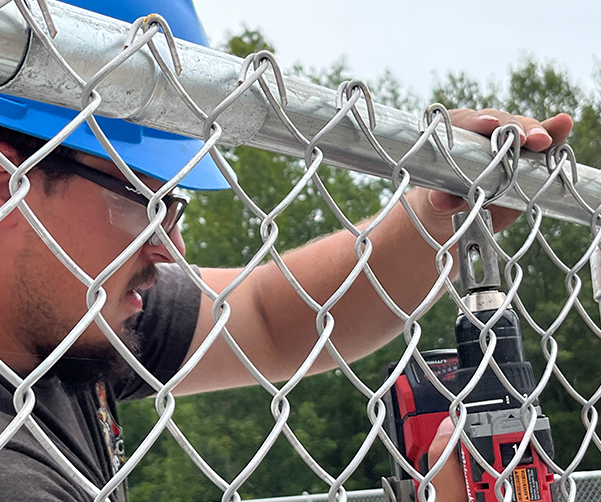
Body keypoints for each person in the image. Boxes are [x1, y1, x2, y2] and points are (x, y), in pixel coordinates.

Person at [0, 0, 574, 500]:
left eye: (171, 206)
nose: (170, 247)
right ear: (11, 184)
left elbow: (269, 317)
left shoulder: (71, 320)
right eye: (139, 200)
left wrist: (432, 213)